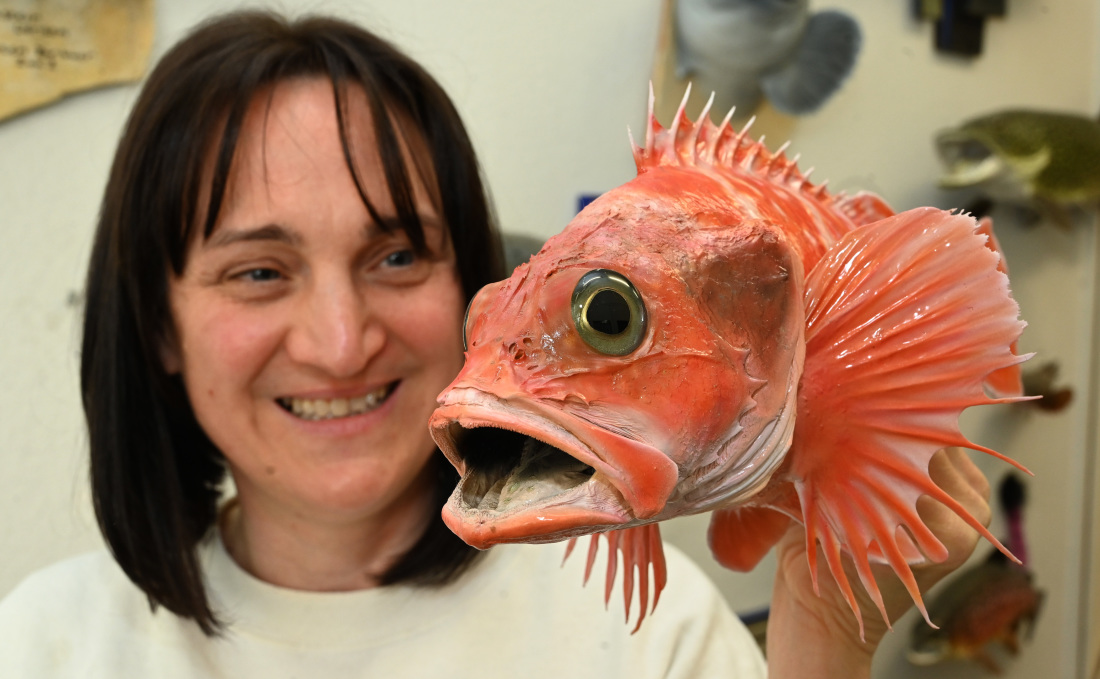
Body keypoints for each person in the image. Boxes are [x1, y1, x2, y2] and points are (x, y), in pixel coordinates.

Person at [0, 10, 992, 678]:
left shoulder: (658, 638)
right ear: (157, 324)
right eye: (258, 271)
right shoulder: (41, 644)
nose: (342, 341)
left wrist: (830, 622)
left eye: (396, 256)